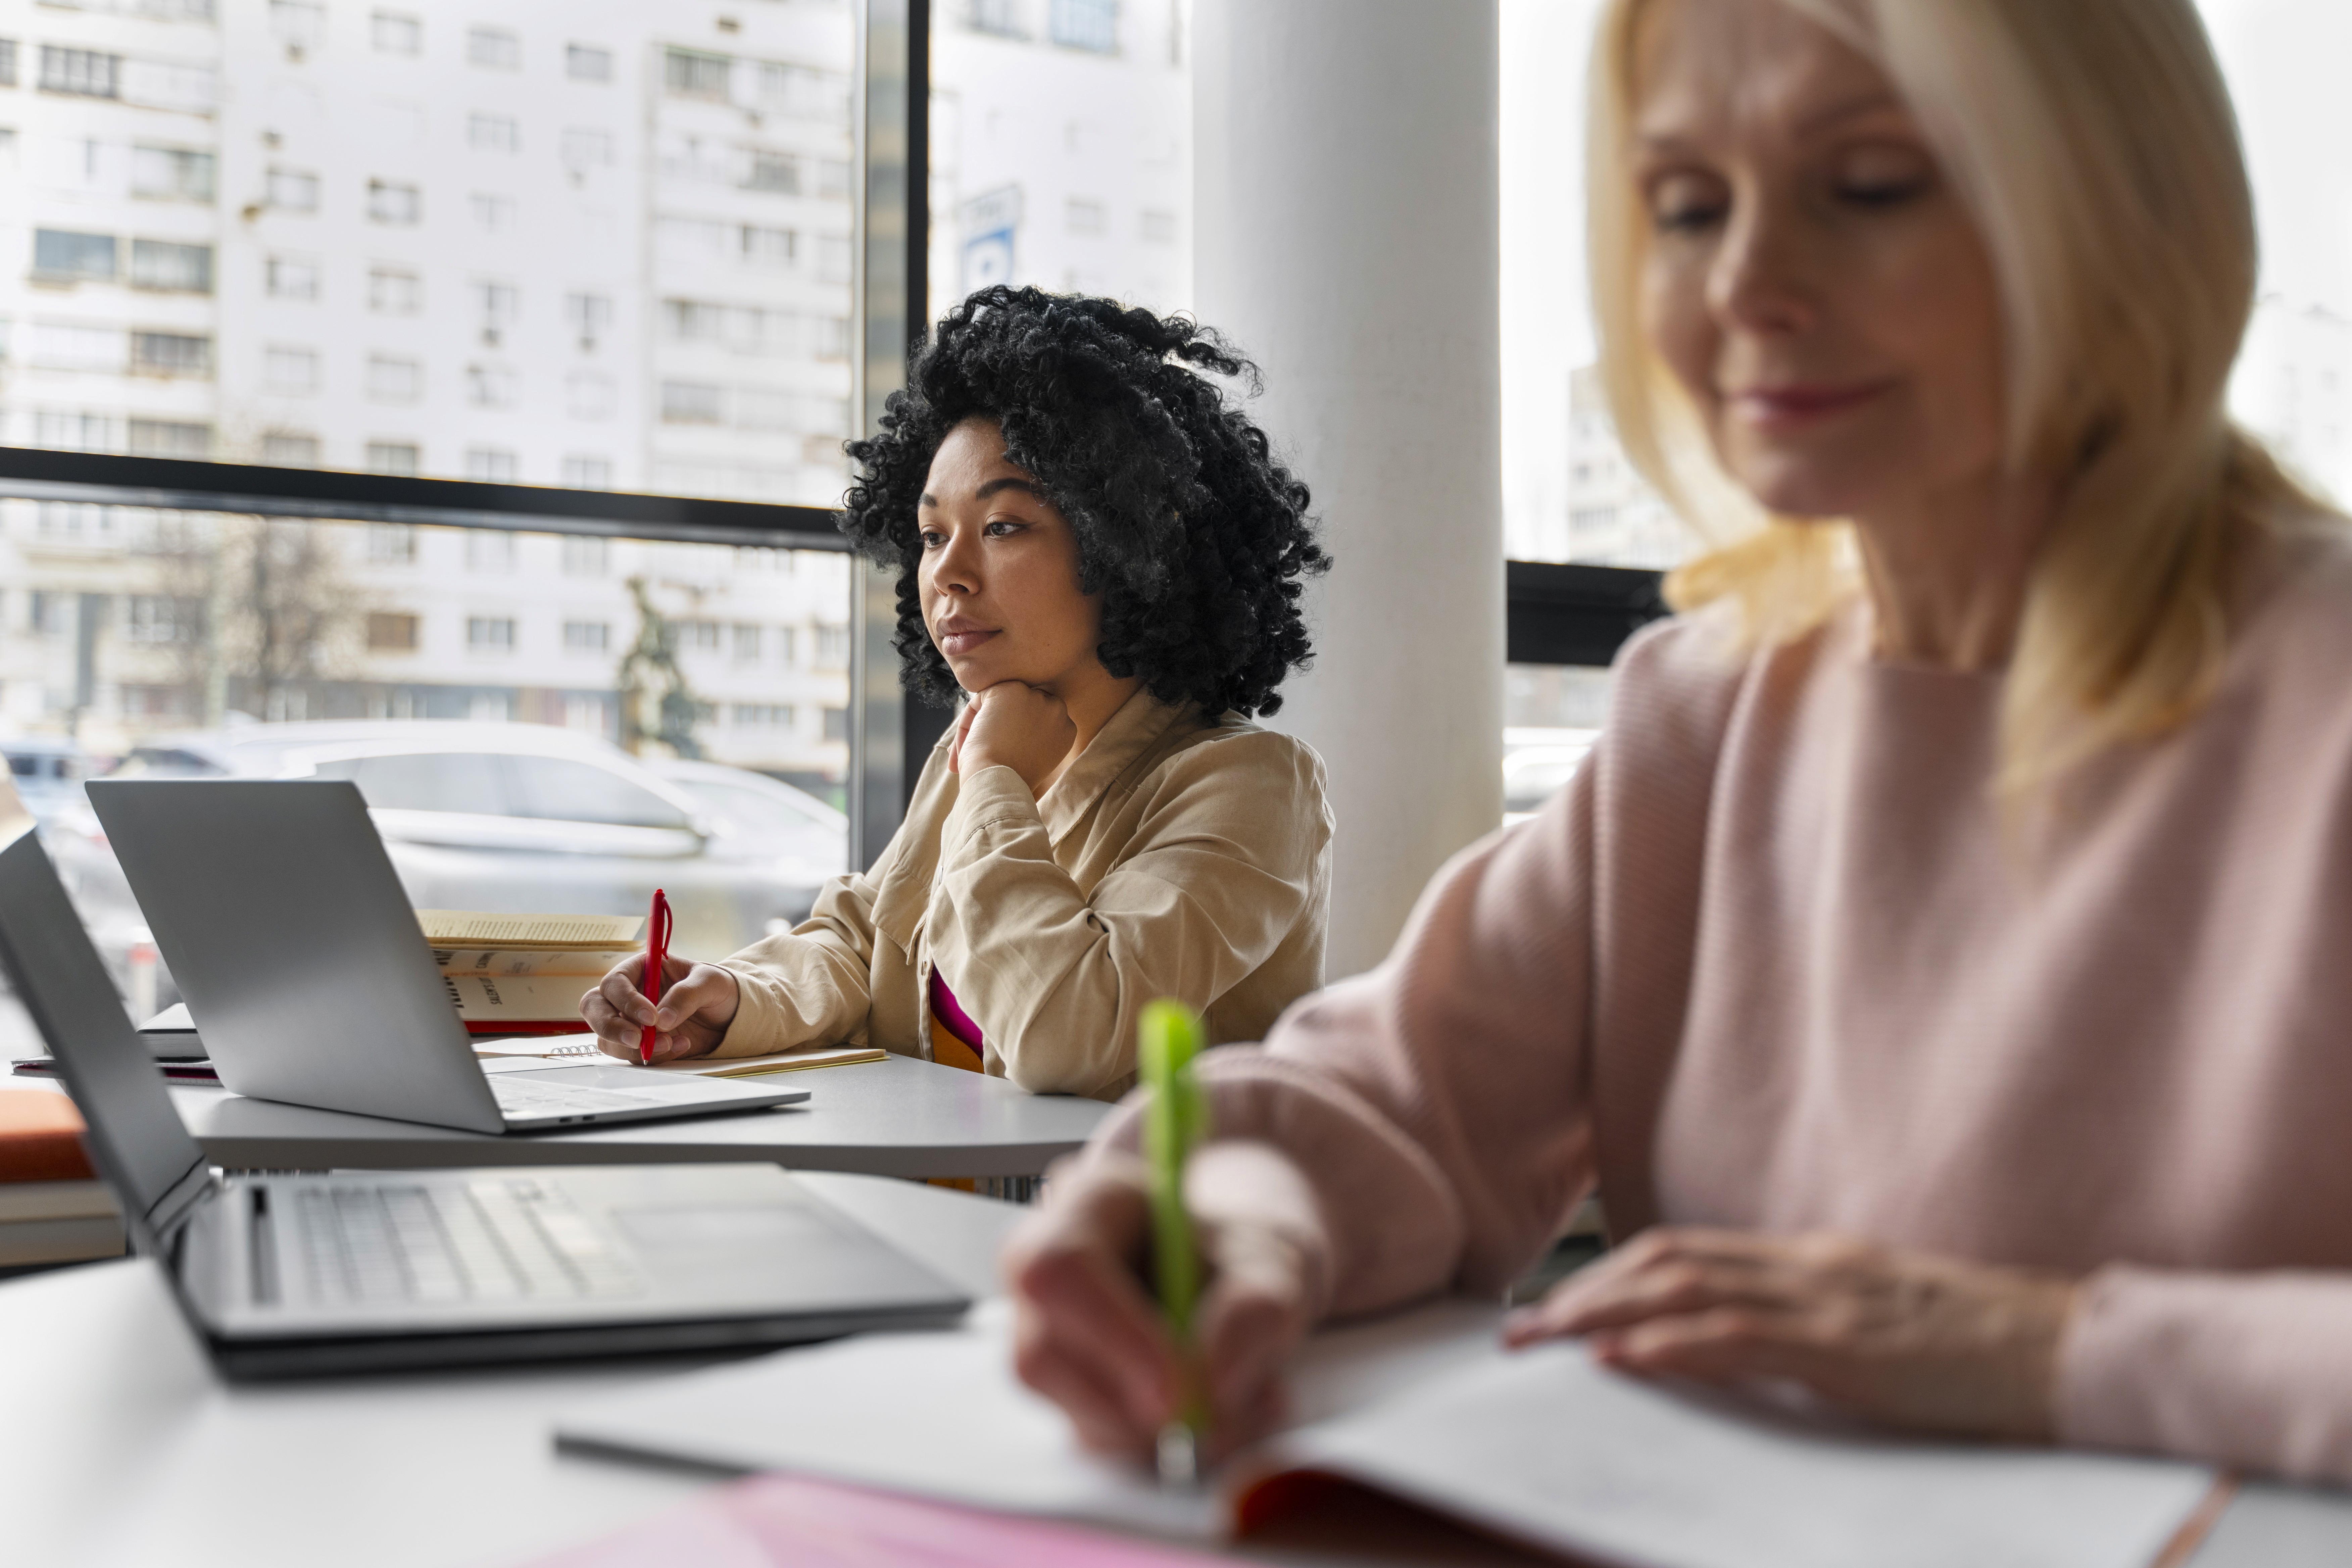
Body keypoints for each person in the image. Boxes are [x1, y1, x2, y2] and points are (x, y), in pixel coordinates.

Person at [1004, 0, 2352, 1485]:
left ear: (2123, 205)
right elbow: (1393, 1099)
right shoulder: (1703, 718)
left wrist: (2049, 1351)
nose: (1746, 283)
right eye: (1689, 207)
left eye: (1871, 186)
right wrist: (1234, 1216)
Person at [582, 287, 1332, 1099]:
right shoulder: (980, 738)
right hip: (939, 1177)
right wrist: (734, 998)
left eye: (1002, 526)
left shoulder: (1251, 783)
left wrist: (996, 783)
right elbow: (866, 940)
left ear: (1130, 541)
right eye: (934, 535)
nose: (947, 573)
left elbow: (1066, 1031)